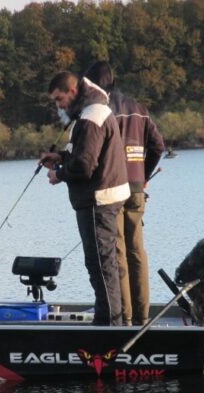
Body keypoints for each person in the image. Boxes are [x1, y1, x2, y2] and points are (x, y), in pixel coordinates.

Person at [40, 71, 131, 326]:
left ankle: (111, 327)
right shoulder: (91, 111)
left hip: (98, 201)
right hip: (102, 198)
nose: (58, 105)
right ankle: (111, 321)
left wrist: (59, 174)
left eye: (59, 99)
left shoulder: (91, 116)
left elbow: (85, 166)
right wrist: (61, 157)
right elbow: (85, 155)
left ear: (72, 92)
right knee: (103, 264)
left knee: (101, 265)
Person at [84, 61, 165, 326]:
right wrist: (144, 175)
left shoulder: (100, 112)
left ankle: (125, 319)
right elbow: (158, 146)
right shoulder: (139, 110)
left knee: (117, 253)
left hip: (112, 190)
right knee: (137, 252)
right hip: (137, 189)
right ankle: (143, 317)